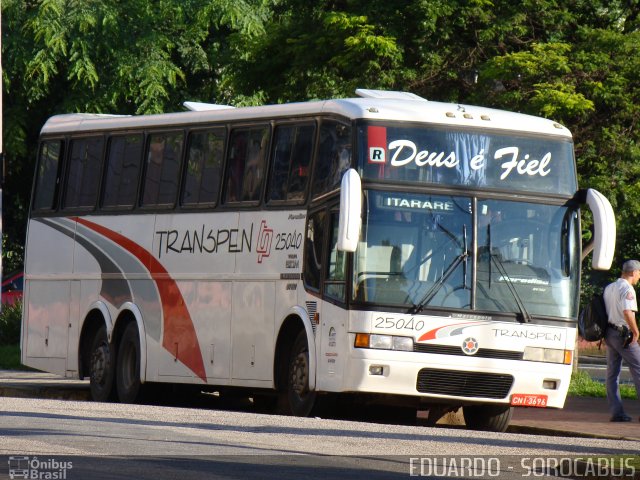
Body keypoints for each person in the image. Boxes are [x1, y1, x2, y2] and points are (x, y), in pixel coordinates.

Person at [602, 259, 640, 422]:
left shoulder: (609, 287)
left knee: (612, 374)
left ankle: (616, 412)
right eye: (639, 273)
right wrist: (636, 331)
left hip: (609, 333)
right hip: (623, 334)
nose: (639, 277)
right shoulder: (627, 288)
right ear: (633, 272)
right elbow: (627, 311)